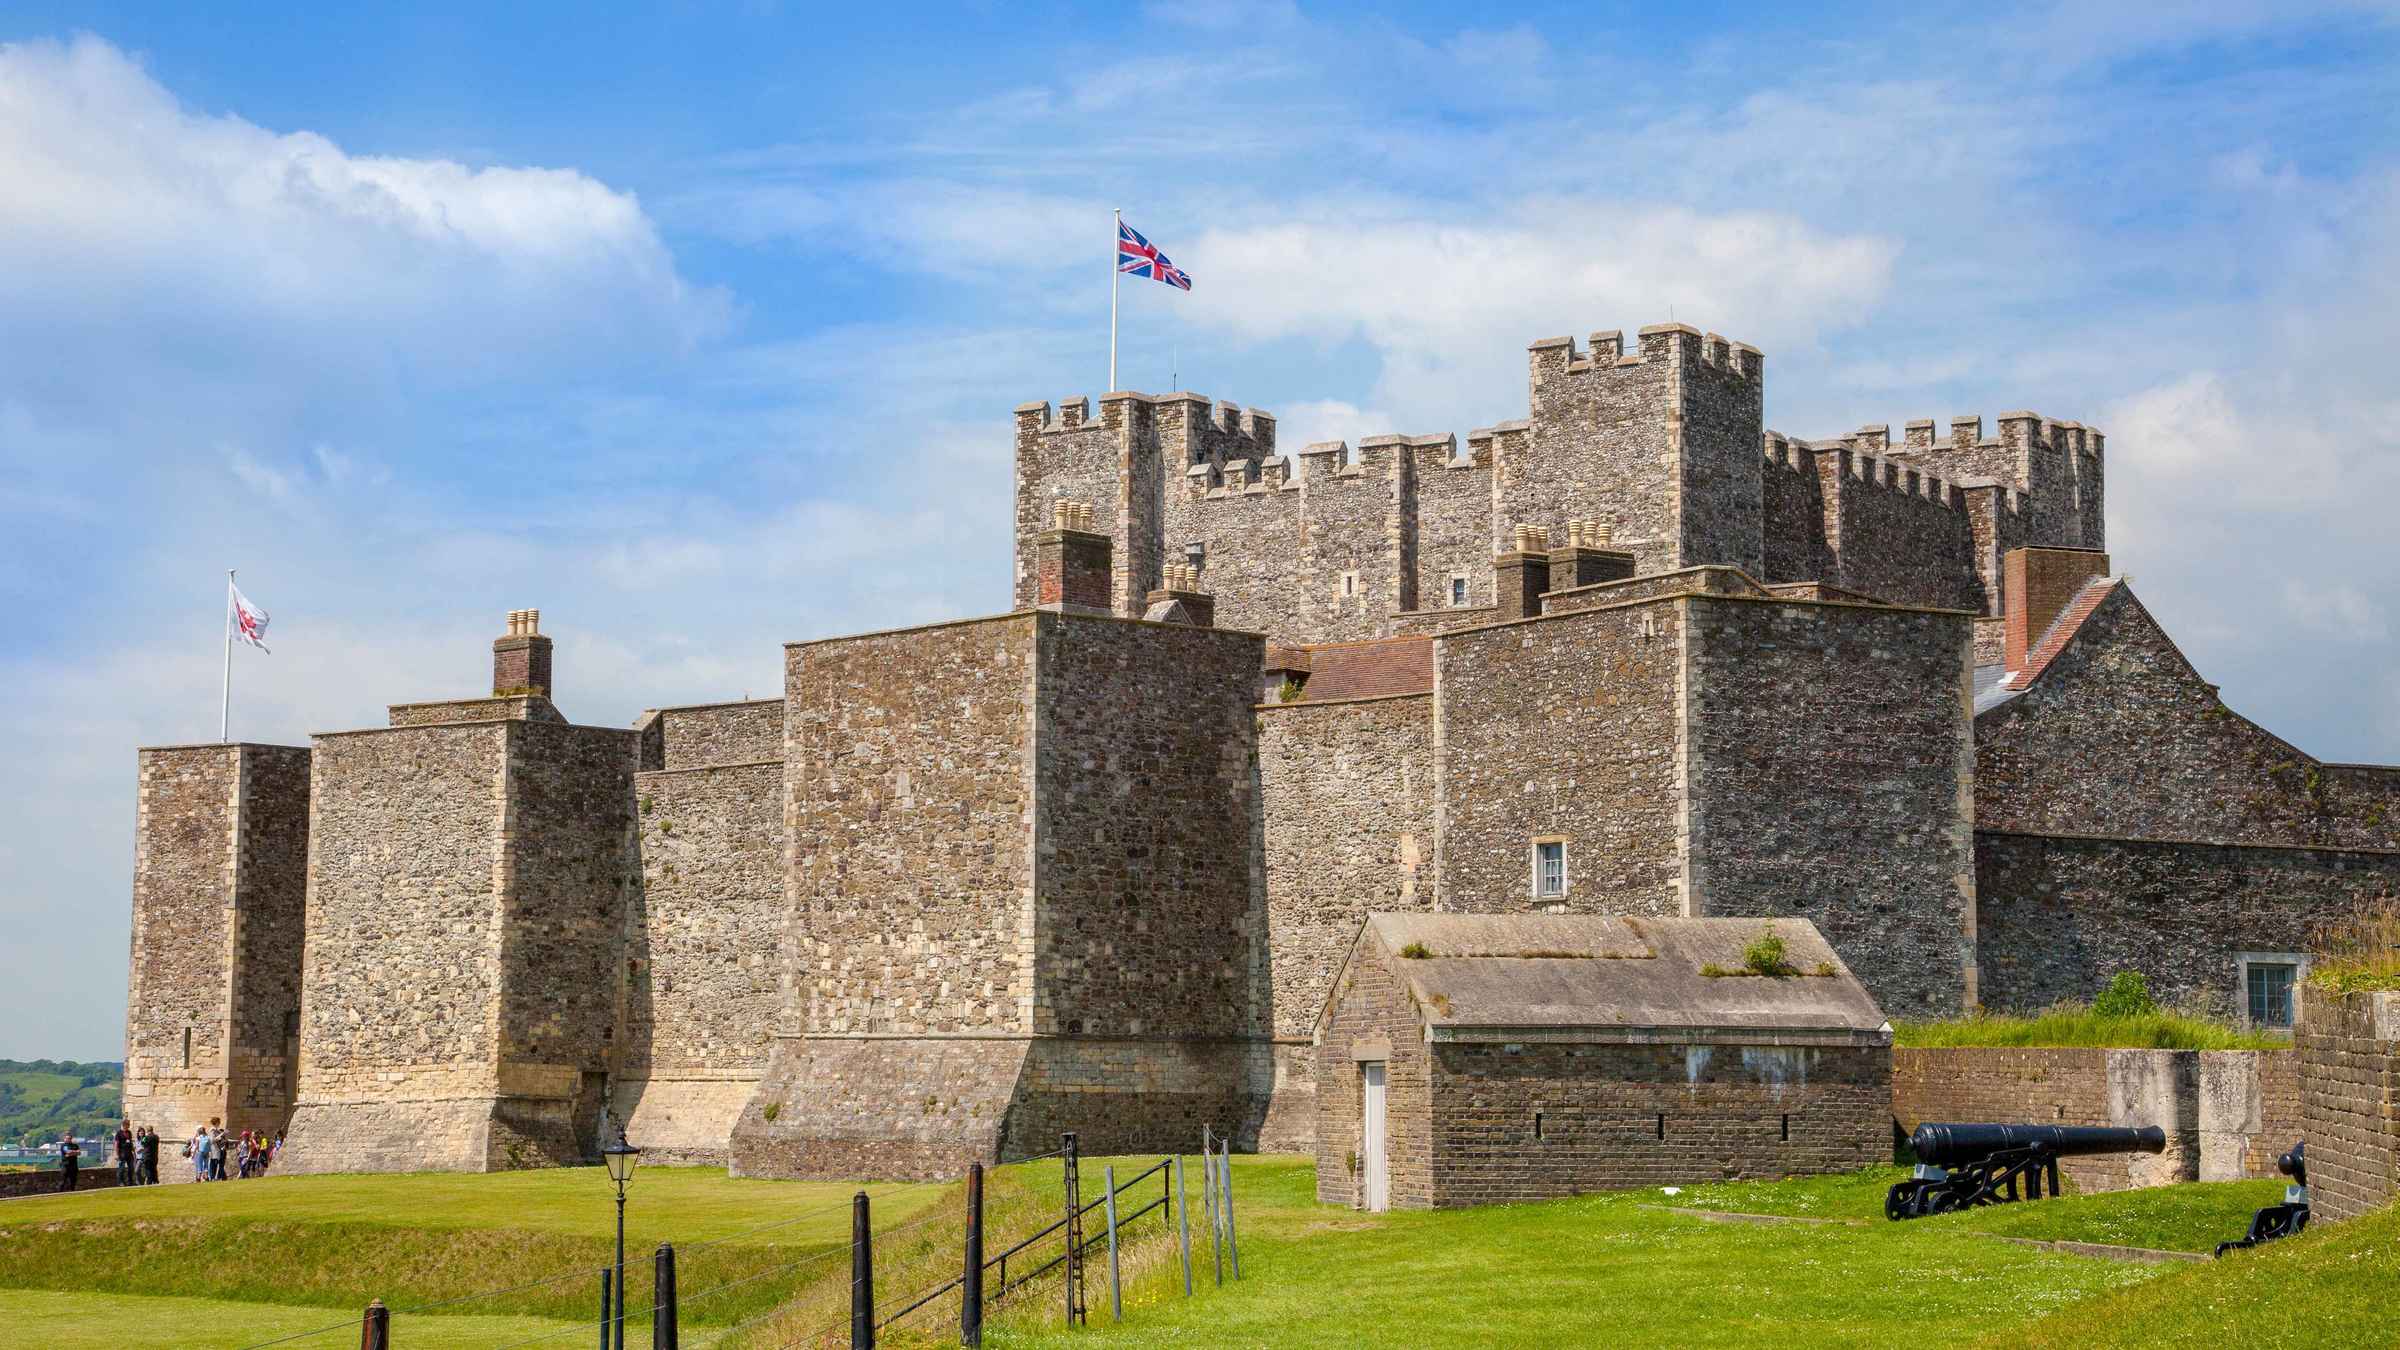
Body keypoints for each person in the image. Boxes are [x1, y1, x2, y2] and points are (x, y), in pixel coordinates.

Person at [114, 1121, 135, 1186]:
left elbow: (130, 1141)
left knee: (131, 1168)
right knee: (121, 1168)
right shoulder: (119, 1133)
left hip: (129, 1153)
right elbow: (116, 1144)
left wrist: (133, 1150)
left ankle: (130, 1182)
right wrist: (117, 1154)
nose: (128, 1126)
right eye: (127, 1125)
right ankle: (120, 1182)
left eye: (128, 1125)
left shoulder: (129, 1132)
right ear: (124, 1125)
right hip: (122, 1153)